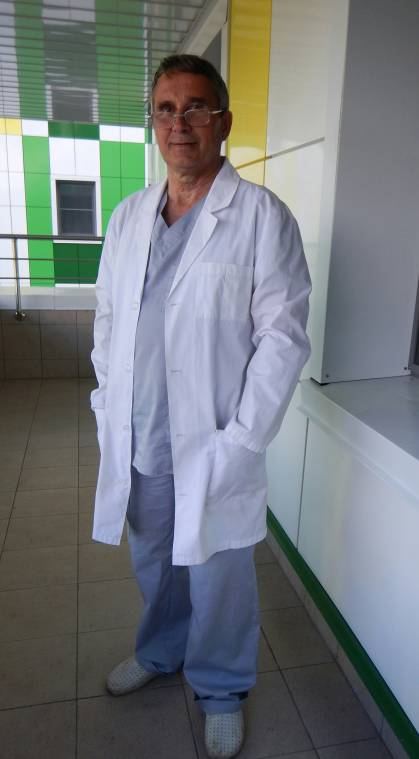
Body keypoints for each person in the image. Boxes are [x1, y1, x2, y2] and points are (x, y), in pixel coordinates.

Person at [91, 54, 311, 759]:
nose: (179, 123)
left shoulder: (261, 218)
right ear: (152, 123)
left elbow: (283, 338)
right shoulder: (128, 217)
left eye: (195, 107)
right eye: (165, 109)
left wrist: (243, 439)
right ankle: (161, 651)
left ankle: (221, 689)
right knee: (155, 560)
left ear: (223, 121)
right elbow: (107, 319)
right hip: (141, 433)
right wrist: (106, 398)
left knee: (219, 574)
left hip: (215, 438)